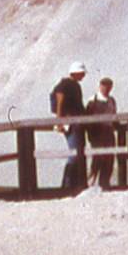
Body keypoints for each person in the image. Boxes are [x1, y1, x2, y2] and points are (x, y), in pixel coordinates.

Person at [50, 61, 87, 193]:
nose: (83, 75)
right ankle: (67, 185)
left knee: (77, 151)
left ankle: (75, 183)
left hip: (75, 122)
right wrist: (59, 121)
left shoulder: (73, 85)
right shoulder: (66, 84)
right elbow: (60, 100)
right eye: (82, 73)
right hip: (70, 122)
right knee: (74, 152)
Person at [85, 76, 118, 189]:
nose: (106, 89)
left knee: (109, 157)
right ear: (100, 86)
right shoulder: (92, 100)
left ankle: (104, 183)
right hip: (97, 132)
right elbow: (87, 119)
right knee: (98, 158)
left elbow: (114, 116)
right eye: (104, 87)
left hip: (108, 132)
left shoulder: (112, 100)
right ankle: (90, 182)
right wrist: (90, 135)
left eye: (108, 87)